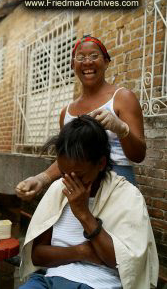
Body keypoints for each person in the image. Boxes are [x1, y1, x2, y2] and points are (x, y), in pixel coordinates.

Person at [19, 115, 158, 289]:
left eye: (79, 175)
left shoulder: (128, 197)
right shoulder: (58, 189)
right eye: (63, 173)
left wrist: (83, 214)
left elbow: (124, 264)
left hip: (98, 285)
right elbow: (38, 255)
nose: (70, 181)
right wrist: (82, 252)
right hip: (49, 281)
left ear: (101, 163)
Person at [16, 35, 146, 201]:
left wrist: (121, 129)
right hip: (78, 188)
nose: (87, 62)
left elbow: (139, 155)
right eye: (80, 57)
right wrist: (41, 179)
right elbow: (68, 158)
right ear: (73, 65)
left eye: (94, 56)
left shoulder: (123, 98)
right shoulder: (67, 112)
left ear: (106, 62)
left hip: (118, 185)